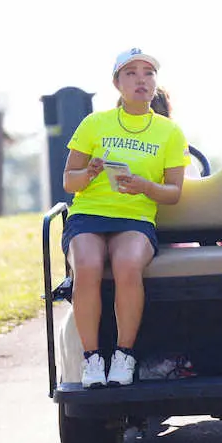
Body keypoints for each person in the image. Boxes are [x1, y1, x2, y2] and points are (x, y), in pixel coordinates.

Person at [62, 48, 190, 388]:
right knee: (87, 265)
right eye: (131, 73)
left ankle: (124, 355)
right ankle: (92, 360)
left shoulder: (169, 132)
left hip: (135, 218)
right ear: (117, 83)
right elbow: (69, 181)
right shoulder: (94, 124)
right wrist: (88, 172)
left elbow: (173, 192)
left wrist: (146, 186)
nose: (141, 80)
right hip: (89, 215)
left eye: (148, 73)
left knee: (127, 264)